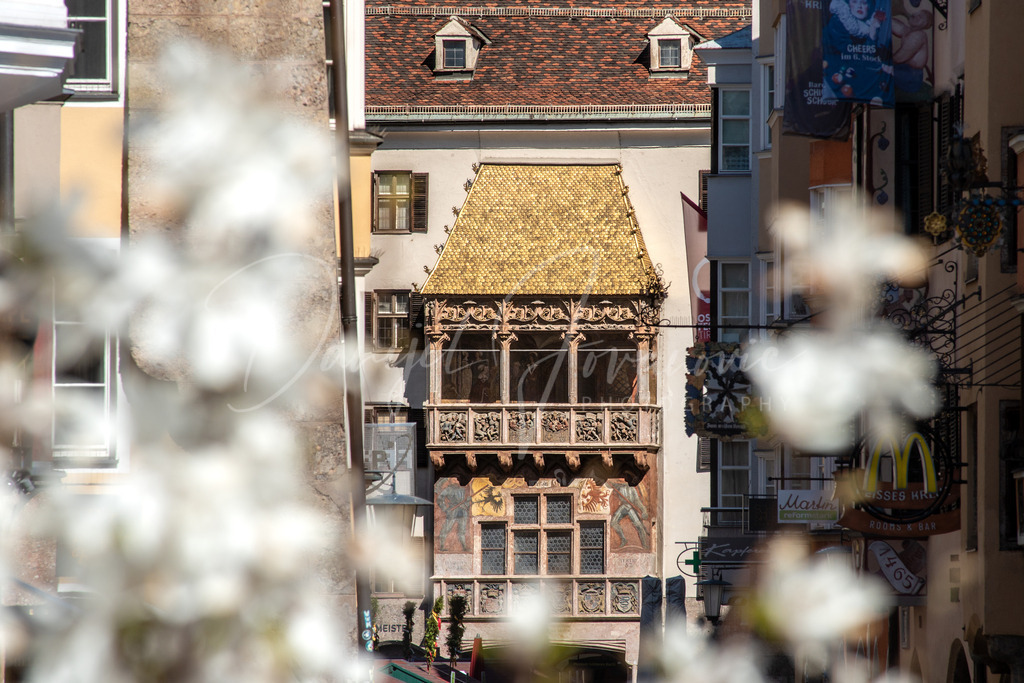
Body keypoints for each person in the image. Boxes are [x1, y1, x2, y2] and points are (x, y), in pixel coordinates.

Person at [821, 0, 894, 105]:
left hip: (854, 79)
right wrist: (872, 34)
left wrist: (887, 63)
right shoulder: (838, 22)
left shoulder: (867, 24)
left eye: (864, 3)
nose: (859, 6)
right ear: (847, 4)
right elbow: (852, 54)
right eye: (854, 1)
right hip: (834, 80)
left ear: (870, 6)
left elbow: (879, 52)